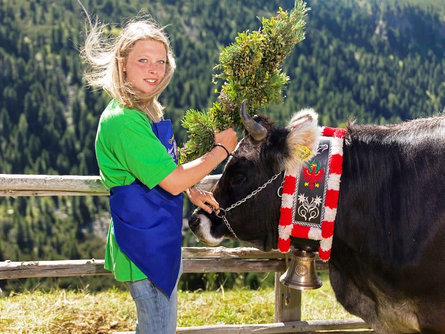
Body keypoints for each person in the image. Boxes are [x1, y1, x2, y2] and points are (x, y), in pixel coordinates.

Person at [81, 15, 238, 334]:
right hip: (143, 245)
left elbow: (164, 168)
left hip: (154, 234)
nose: (154, 70)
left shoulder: (143, 111)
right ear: (122, 63)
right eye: (143, 60)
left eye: (160, 62)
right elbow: (171, 178)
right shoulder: (124, 121)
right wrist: (220, 152)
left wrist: (190, 189)